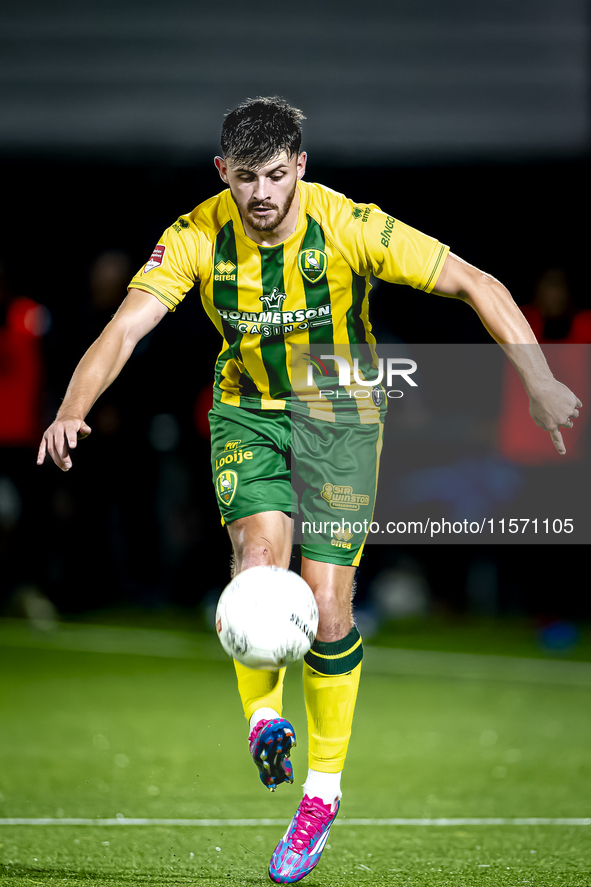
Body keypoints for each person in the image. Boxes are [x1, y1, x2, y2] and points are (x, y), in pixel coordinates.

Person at [37, 96, 582, 884]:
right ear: (221, 172)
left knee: (329, 608)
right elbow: (124, 327)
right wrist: (71, 409)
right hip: (247, 413)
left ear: (300, 166)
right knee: (259, 562)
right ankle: (265, 721)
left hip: (340, 415)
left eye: (275, 176)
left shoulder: (350, 225)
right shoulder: (195, 235)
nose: (260, 195)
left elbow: (474, 279)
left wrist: (537, 379)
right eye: (245, 179)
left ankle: (319, 798)